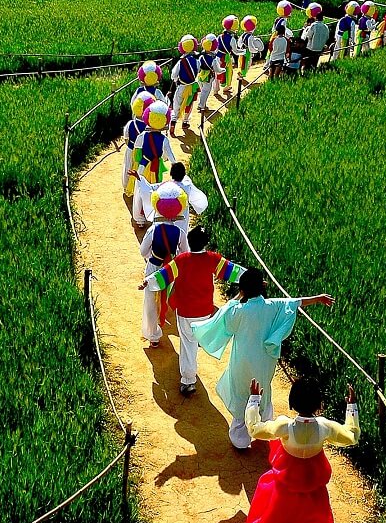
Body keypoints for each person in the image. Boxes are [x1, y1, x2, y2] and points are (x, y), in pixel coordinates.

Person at [194, 270, 335, 449]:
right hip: (264, 362)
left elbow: (227, 312)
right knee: (263, 393)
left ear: (243, 289)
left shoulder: (237, 311)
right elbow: (295, 302)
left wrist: (240, 294)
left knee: (241, 395)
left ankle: (240, 440)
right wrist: (318, 298)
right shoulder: (272, 306)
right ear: (263, 286)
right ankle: (263, 430)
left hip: (241, 363)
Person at [236, 375, 360, 523]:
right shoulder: (324, 427)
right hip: (312, 492)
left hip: (283, 492)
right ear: (319, 404)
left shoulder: (285, 426)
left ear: (292, 401)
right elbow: (351, 436)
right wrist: (351, 407)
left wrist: (254, 400)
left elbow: (255, 429)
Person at [143, 226, 246, 395]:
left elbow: (163, 275)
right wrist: (253, 279)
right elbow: (233, 271)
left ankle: (188, 381)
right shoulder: (213, 259)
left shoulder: (181, 260)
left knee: (187, 343)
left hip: (185, 311)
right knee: (196, 337)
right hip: (205, 310)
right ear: (206, 243)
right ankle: (200, 338)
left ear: (188, 242)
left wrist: (147, 282)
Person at [139, 185, 188, 347]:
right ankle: (162, 321)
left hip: (154, 266)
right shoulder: (180, 233)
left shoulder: (153, 230)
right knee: (164, 298)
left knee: (151, 300)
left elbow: (143, 251)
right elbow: (184, 253)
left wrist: (151, 258)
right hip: (170, 270)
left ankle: (153, 336)